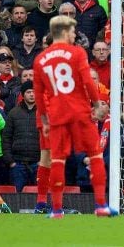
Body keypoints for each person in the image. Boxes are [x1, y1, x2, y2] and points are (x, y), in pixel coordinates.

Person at [33, 16, 114, 218]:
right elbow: (87, 82)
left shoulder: (40, 60)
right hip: (78, 111)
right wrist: (96, 106)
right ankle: (101, 205)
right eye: (72, 31)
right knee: (94, 154)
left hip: (55, 114)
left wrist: (44, 119)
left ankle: (55, 209)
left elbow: (38, 93)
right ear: (63, 32)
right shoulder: (77, 53)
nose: (74, 35)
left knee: (55, 159)